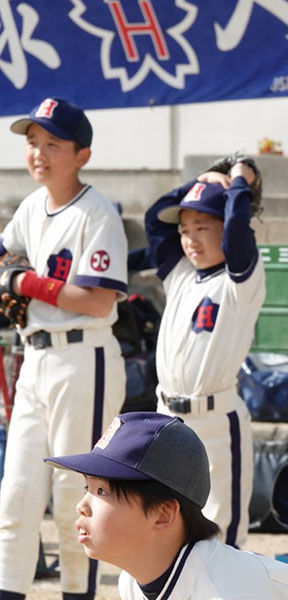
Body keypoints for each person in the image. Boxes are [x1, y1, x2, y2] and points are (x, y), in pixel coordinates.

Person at [0, 97, 128, 599]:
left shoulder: (97, 213)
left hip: (84, 357)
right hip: (36, 357)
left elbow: (98, 301)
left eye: (53, 143)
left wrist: (24, 283)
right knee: (17, 495)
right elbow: (5, 255)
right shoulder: (31, 207)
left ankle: (80, 593)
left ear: (82, 154)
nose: (39, 153)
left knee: (75, 495)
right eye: (33, 143)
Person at [43, 411, 288, 600]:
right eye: (87, 487)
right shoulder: (135, 581)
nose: (82, 505)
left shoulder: (225, 591)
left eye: (101, 491)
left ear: (163, 514)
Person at [144, 160, 264, 548]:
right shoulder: (179, 272)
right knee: (162, 534)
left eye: (202, 228)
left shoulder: (239, 278)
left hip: (214, 421)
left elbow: (237, 231)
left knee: (218, 541)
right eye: (185, 230)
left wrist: (240, 182)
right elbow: (153, 219)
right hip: (166, 418)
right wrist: (195, 184)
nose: (191, 239)